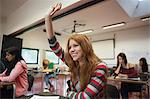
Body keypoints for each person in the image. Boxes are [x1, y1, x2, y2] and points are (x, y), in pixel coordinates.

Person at [45, 3, 108, 98]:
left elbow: (85, 97)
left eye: (75, 46)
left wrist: (68, 93)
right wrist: (47, 18)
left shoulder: (99, 67)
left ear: (85, 47)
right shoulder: (74, 63)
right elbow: (54, 45)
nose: (71, 50)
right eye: (70, 47)